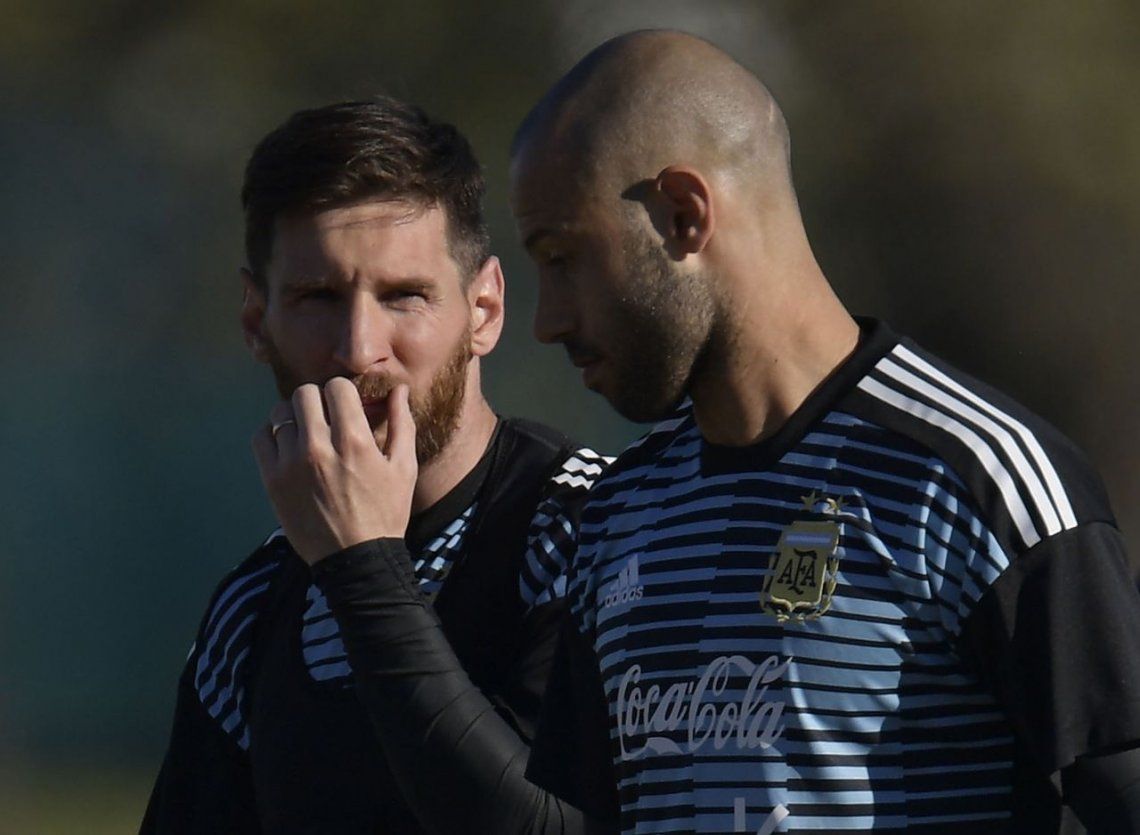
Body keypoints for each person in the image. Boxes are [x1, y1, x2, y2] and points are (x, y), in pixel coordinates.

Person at [506, 30, 1140, 834]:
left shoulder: (977, 480)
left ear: (683, 215)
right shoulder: (617, 515)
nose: (547, 320)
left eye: (563, 258)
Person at [140, 96, 611, 834]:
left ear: (483, 310)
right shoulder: (255, 609)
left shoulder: (592, 531)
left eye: (403, 296)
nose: (360, 349)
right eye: (318, 297)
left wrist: (363, 567)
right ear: (257, 321)